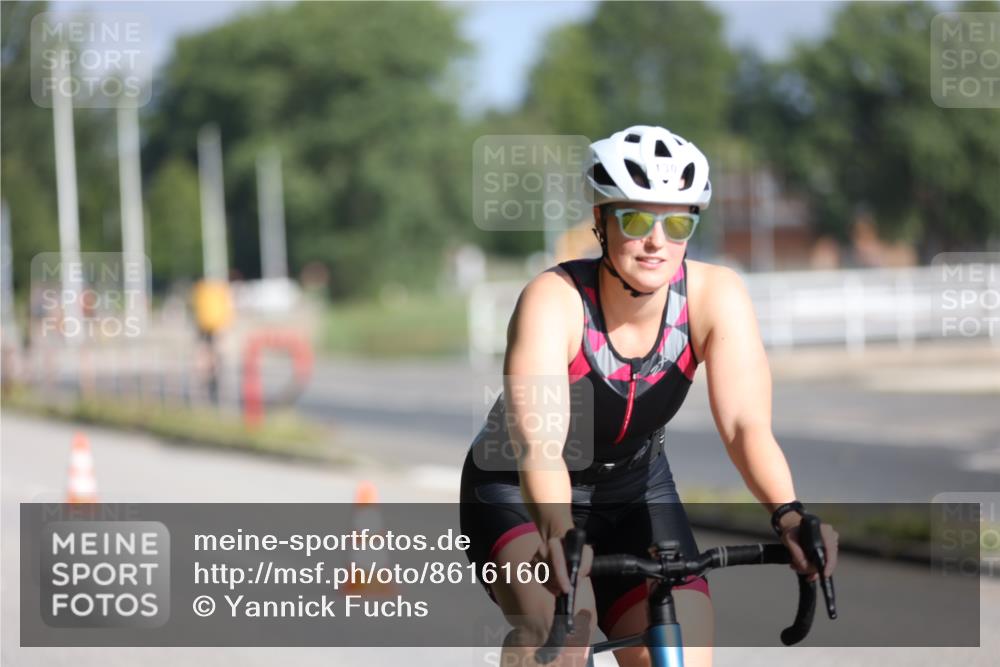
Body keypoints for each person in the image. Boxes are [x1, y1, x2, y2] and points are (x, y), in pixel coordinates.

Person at [459, 125, 839, 667]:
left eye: (678, 221)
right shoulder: (554, 301)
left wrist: (790, 515)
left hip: (637, 489)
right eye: (636, 219)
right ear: (600, 222)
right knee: (562, 640)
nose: (657, 240)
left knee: (677, 651)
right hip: (517, 490)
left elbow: (744, 427)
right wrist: (560, 529)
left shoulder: (716, 296)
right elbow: (541, 447)